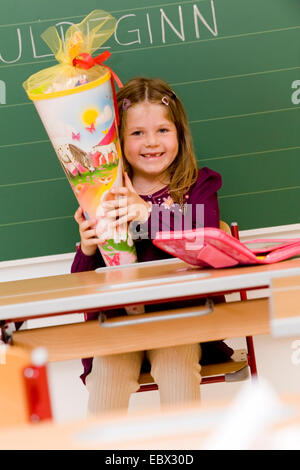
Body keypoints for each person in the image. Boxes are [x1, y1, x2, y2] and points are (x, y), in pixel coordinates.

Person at [71, 77, 233, 416]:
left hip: (182, 320)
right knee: (107, 378)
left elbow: (204, 236)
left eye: (162, 130)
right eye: (137, 133)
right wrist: (87, 249)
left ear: (180, 134)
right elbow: (81, 283)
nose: (151, 143)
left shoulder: (198, 186)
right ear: (118, 141)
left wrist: (147, 212)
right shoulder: (104, 195)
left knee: (176, 366)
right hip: (120, 324)